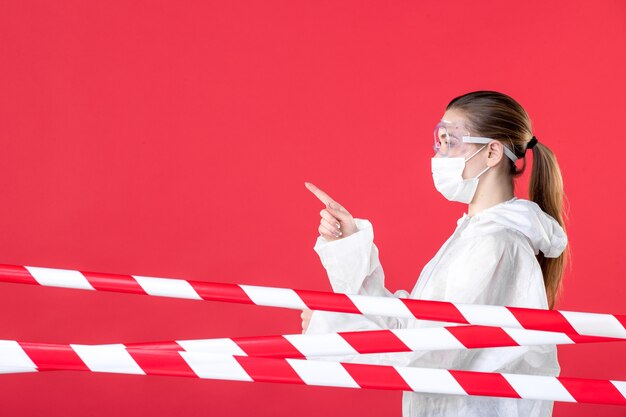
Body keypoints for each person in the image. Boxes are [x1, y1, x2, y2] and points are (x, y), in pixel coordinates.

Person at [301, 90, 569, 417]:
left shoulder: (495, 243)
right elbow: (413, 323)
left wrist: (332, 329)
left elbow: (433, 351)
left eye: (450, 140)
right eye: (439, 141)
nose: (440, 153)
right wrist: (351, 243)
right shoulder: (474, 234)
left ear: (492, 152)